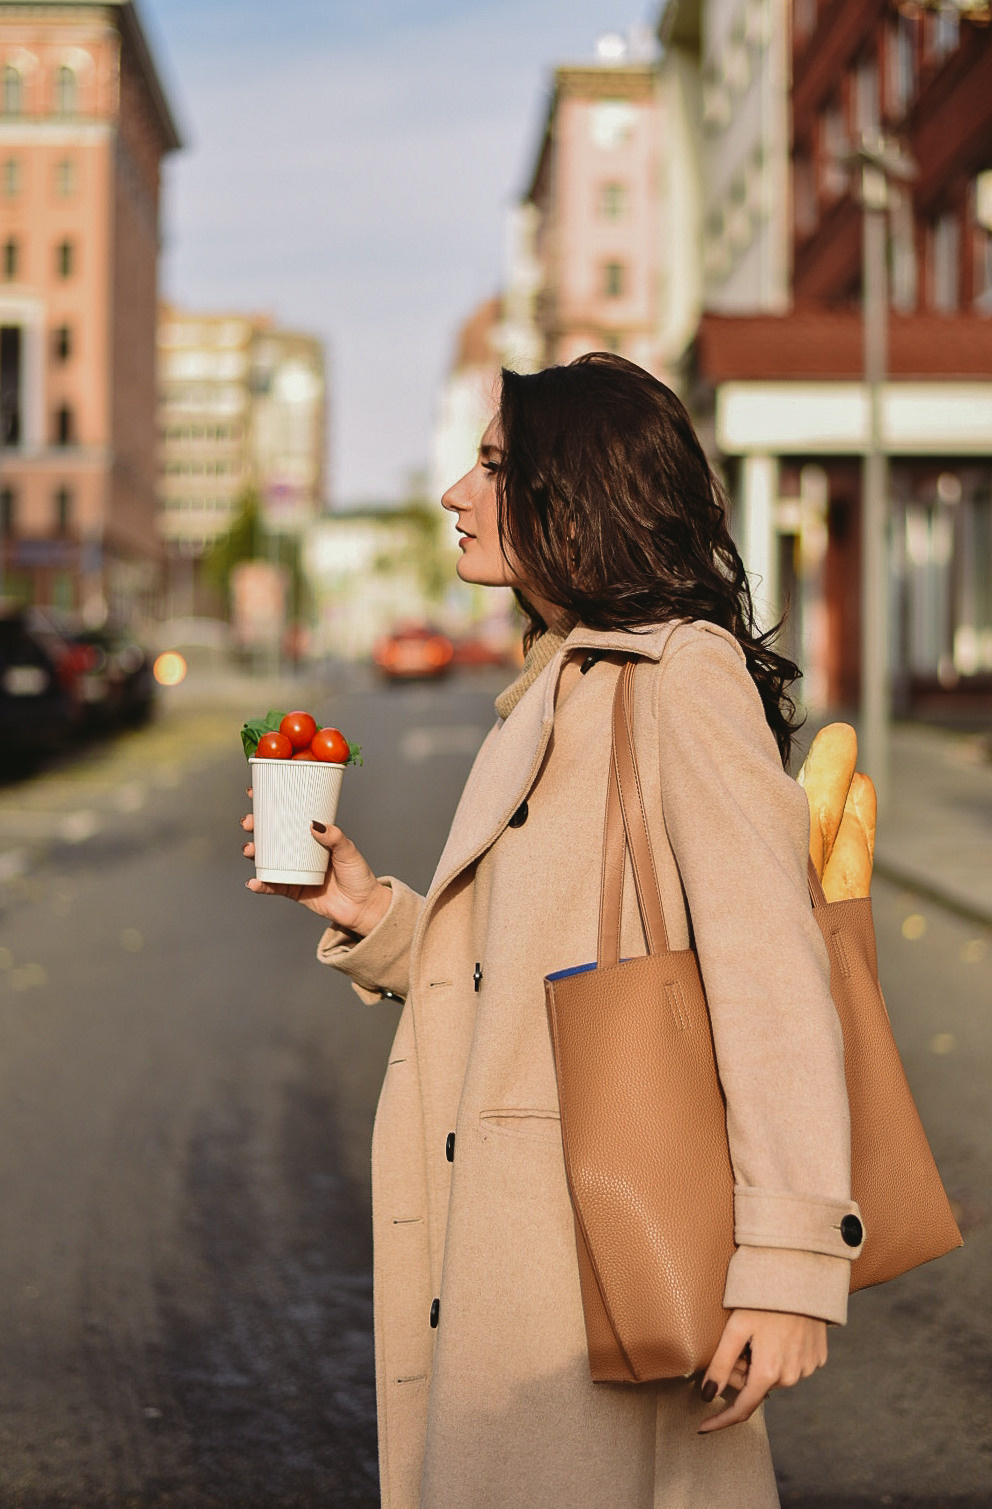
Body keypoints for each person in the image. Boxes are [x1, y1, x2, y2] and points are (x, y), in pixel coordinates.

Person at [242, 354, 861, 1509]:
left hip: (591, 1252)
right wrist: (374, 916)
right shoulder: (562, 682)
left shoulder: (678, 675)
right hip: (519, 1255)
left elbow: (772, 981)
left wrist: (787, 1264)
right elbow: (512, 971)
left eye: (489, 467)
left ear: (570, 494)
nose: (454, 496)